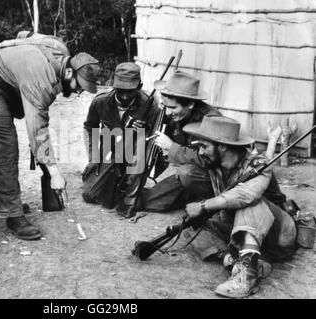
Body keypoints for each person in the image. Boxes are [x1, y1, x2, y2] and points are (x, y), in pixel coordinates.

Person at [0, 36, 101, 240]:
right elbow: (37, 129)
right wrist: (54, 173)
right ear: (69, 71)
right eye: (78, 86)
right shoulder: (43, 79)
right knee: (5, 149)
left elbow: (23, 36)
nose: (78, 91)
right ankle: (12, 215)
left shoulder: (60, 52)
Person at [165, 115, 297, 298]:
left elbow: (244, 195)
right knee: (193, 227)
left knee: (249, 203)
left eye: (204, 146)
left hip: (277, 235)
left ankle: (247, 277)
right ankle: (233, 261)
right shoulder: (215, 163)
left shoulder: (258, 165)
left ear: (223, 146)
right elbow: (189, 159)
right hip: (243, 233)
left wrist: (204, 205)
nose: (200, 152)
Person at [82, 62, 161, 217]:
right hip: (110, 152)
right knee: (90, 195)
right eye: (120, 90)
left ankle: (132, 191)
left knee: (129, 188)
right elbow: (90, 128)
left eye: (130, 91)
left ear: (139, 86)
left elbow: (153, 142)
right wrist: (94, 157)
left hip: (135, 155)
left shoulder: (150, 106)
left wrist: (143, 131)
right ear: (113, 85)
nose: (124, 96)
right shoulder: (101, 102)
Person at [136, 71, 221, 213]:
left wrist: (171, 148)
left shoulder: (211, 121)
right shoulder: (175, 114)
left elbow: (210, 161)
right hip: (191, 173)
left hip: (215, 178)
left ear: (191, 104)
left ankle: (208, 202)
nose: (168, 113)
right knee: (142, 200)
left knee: (186, 173)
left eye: (173, 108)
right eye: (165, 106)